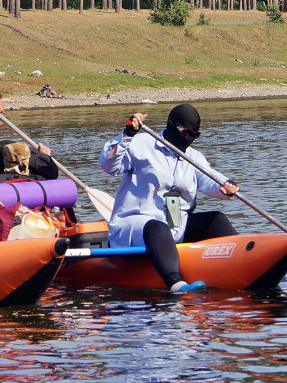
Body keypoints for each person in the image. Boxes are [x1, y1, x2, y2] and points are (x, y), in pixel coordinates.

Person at [99, 103, 239, 293]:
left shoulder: (193, 156)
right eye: (185, 133)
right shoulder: (140, 143)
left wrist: (225, 186)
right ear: (172, 126)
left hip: (174, 227)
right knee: (158, 227)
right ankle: (175, 282)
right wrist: (127, 134)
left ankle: (244, 264)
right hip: (136, 224)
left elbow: (209, 178)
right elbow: (108, 165)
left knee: (217, 220)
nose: (189, 139)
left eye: (194, 135)